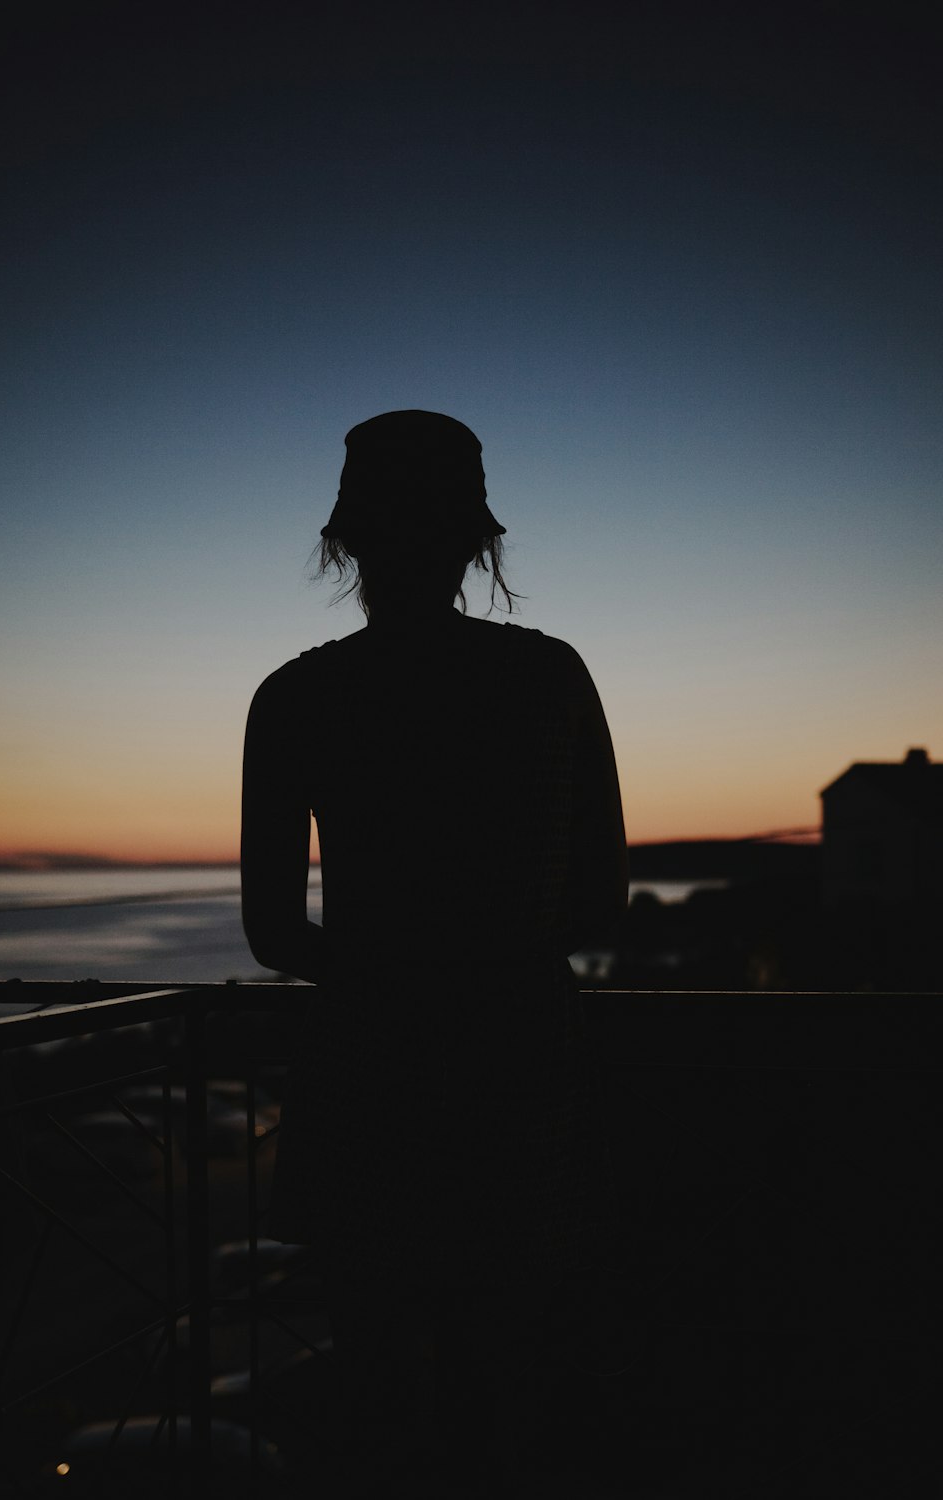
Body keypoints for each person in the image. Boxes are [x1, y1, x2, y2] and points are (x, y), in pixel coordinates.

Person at [241, 410, 628, 1498]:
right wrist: (488, 956)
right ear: (476, 543)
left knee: (382, 1391)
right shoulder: (550, 679)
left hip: (366, 1075)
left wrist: (389, 969)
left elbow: (273, 932)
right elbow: (600, 906)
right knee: (515, 1387)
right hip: (523, 1072)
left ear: (347, 541)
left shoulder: (297, 696)